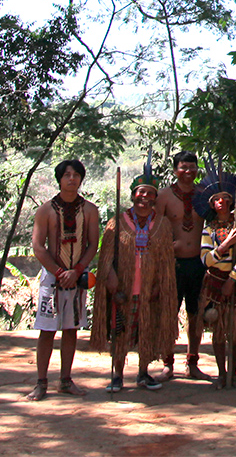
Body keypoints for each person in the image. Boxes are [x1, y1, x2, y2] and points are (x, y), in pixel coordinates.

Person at [91, 160, 178, 392]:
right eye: (140, 192)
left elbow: (167, 262)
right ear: (132, 195)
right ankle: (118, 375)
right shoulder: (117, 224)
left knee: (146, 331)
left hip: (149, 290)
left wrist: (161, 285)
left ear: (154, 198)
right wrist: (112, 285)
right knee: (121, 332)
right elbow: (106, 260)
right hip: (124, 289)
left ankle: (143, 373)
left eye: (150, 193)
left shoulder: (162, 224)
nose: (144, 197)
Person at [25, 159, 101, 401]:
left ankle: (66, 380)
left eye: (76, 174)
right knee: (47, 330)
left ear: (81, 179)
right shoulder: (46, 210)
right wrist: (59, 273)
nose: (71, 179)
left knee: (71, 329)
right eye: (67, 174)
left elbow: (93, 244)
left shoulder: (89, 210)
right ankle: (41, 382)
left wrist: (76, 271)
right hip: (53, 278)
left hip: (77, 277)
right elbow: (38, 246)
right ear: (59, 178)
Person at [194, 164, 236, 388]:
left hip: (235, 282)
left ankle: (234, 372)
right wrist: (226, 245)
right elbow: (205, 260)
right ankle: (221, 373)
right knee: (218, 328)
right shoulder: (208, 229)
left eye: (225, 198)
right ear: (211, 203)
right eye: (216, 199)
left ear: (232, 201)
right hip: (214, 281)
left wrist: (233, 279)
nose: (221, 202)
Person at [156, 150, 212, 382]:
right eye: (183, 167)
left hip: (198, 263)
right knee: (169, 313)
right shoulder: (164, 196)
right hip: (173, 263)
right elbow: (155, 229)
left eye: (192, 167)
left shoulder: (205, 194)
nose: (188, 171)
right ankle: (168, 363)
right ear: (175, 169)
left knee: (196, 314)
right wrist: (166, 249)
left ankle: (192, 362)